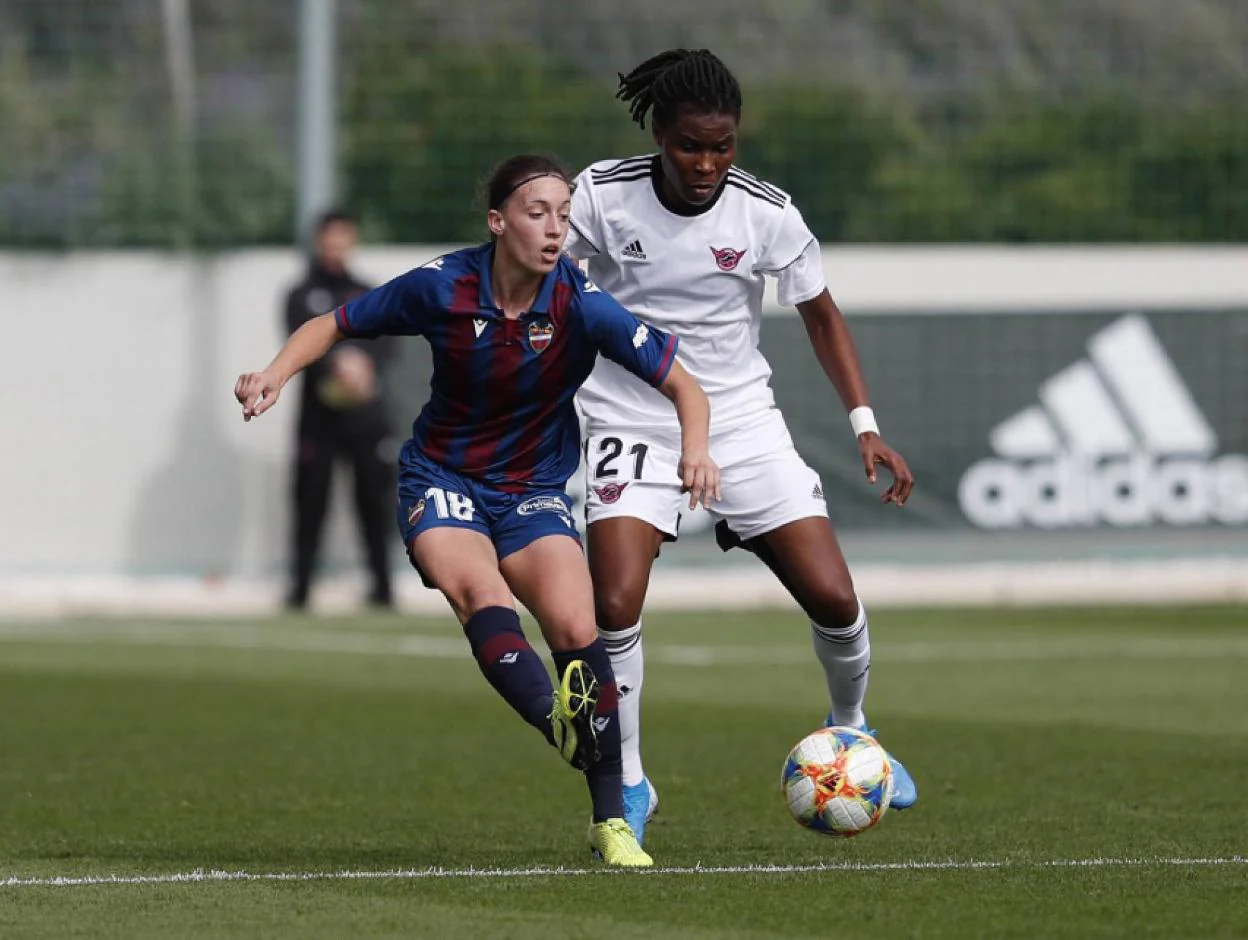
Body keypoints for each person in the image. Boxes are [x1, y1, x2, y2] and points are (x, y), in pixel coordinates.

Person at [235, 154, 720, 867]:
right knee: (479, 591)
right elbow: (333, 323)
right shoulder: (443, 287)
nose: (554, 229)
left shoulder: (581, 305)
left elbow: (686, 387)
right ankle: (555, 722)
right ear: (498, 222)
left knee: (578, 627)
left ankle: (611, 820)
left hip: (533, 491)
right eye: (535, 213)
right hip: (442, 476)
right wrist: (273, 373)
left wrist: (697, 450)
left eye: (563, 214)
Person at [564, 49, 918, 844]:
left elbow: (822, 316)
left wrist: (865, 425)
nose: (707, 163)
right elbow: (547, 278)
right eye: (691, 145)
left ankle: (855, 734)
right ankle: (628, 783)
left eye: (723, 146)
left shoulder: (766, 213)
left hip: (741, 424)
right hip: (633, 421)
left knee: (835, 599)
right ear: (660, 132)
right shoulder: (601, 196)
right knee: (614, 604)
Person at [283, 209, 395, 611]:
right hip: (318, 421)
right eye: (329, 240)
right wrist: (338, 363)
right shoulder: (299, 294)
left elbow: (386, 342)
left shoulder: (367, 291)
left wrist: (364, 365)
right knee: (310, 504)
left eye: (342, 239)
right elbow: (300, 344)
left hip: (365, 420)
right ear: (319, 242)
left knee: (374, 503)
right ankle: (299, 590)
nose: (335, 247)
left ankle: (383, 588)